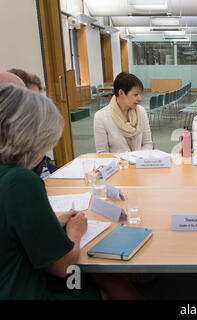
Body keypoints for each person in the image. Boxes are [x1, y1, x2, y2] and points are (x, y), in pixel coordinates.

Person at [0, 85, 143, 300]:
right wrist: (75, 231)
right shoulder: (20, 181)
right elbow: (63, 266)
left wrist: (51, 224)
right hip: (25, 290)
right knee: (112, 286)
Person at [94, 72, 153, 153]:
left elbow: (147, 144)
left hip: (139, 163)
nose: (140, 99)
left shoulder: (141, 112)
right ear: (121, 93)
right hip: (117, 164)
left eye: (139, 94)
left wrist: (136, 159)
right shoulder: (101, 117)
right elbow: (102, 154)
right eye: (135, 94)